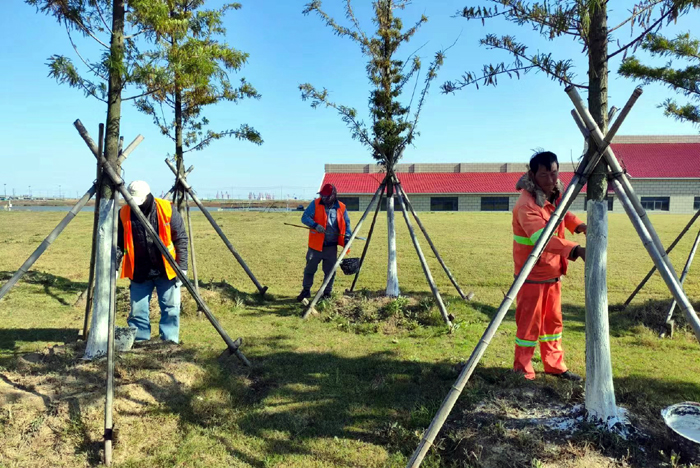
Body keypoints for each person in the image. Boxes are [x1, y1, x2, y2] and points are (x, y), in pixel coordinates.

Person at [512, 151, 587, 381]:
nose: (551, 179)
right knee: (528, 326)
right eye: (544, 175)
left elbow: (563, 214)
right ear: (532, 175)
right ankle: (523, 371)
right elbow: (541, 239)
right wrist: (576, 250)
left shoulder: (553, 195)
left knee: (553, 325)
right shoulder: (526, 205)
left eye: (554, 173)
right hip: (531, 277)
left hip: (553, 274)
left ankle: (555, 366)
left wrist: (580, 226)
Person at [117, 181, 188, 343]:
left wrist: (182, 267)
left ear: (148, 196)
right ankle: (140, 342)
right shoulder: (124, 213)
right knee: (138, 312)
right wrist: (114, 266)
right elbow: (118, 243)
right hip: (139, 271)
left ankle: (169, 343)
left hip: (166, 269)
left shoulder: (167, 209)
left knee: (171, 309)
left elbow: (181, 239)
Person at [297, 183, 352, 302]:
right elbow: (304, 217)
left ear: (333, 195)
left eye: (326, 196)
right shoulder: (315, 204)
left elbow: (347, 225)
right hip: (315, 246)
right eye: (322, 195)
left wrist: (347, 239)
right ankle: (306, 290)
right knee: (309, 270)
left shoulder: (341, 207)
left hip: (331, 247)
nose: (323, 198)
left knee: (330, 272)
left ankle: (327, 293)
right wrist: (315, 225)